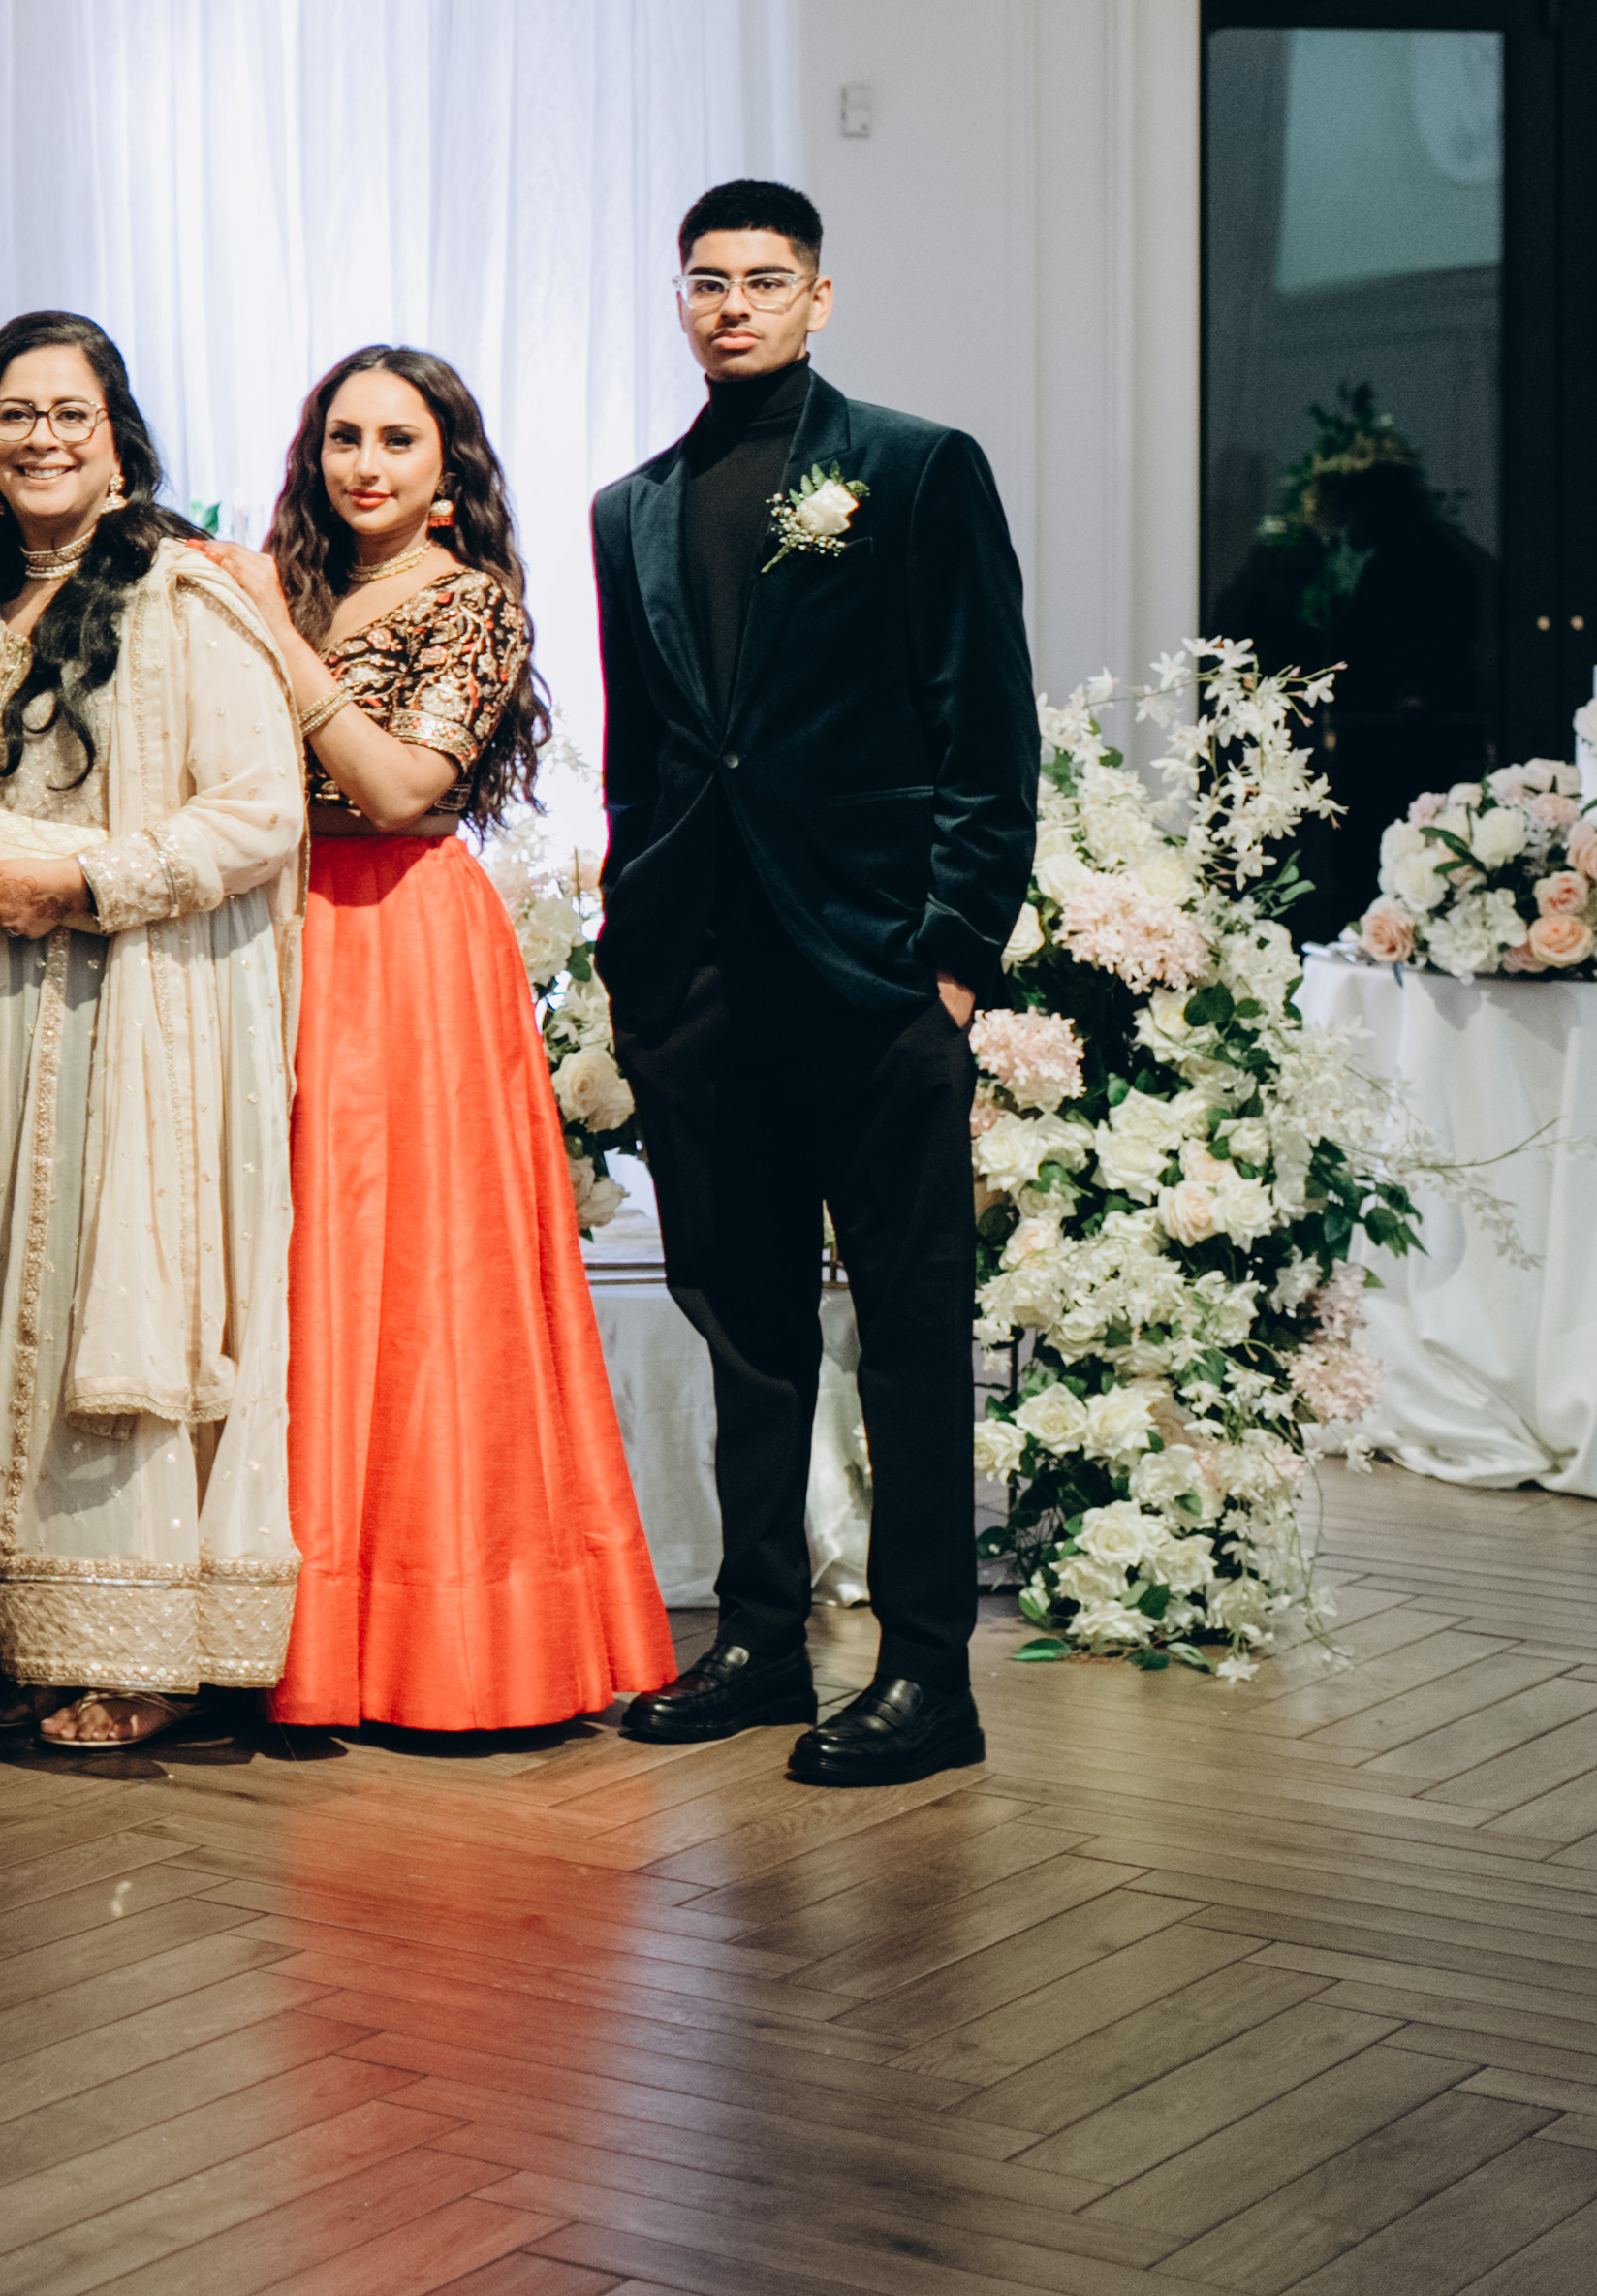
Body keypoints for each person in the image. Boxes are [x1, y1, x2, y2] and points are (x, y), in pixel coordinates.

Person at [594, 181, 1033, 1789]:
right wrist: (636, 957)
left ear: (817, 298)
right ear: (679, 298)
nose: (731, 306)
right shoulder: (630, 508)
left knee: (910, 1329)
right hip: (702, 988)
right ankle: (762, 1640)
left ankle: (928, 1677)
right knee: (748, 1330)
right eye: (705, 281)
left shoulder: (911, 469)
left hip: (872, 978)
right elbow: (646, 761)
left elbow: (985, 725)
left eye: (762, 280)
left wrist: (952, 956)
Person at [209, 347, 674, 1737]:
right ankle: (274, 1630)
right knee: (290, 1266)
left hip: (402, 935)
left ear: (446, 470)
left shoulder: (470, 603)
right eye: (343, 437)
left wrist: (275, 639)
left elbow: (402, 787)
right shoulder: (300, 590)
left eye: (397, 441)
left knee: (414, 1277)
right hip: (277, 923)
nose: (364, 465)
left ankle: (443, 1639)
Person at [0, 310, 304, 1751]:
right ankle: (28, 1629)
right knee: (0, 1302)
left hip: (132, 1002)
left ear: (116, 439)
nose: (40, 440)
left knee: (111, 1302)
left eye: (67, 414)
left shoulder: (183, 599)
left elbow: (258, 812)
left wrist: (84, 885)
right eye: (13, 415)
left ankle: (138, 1645)